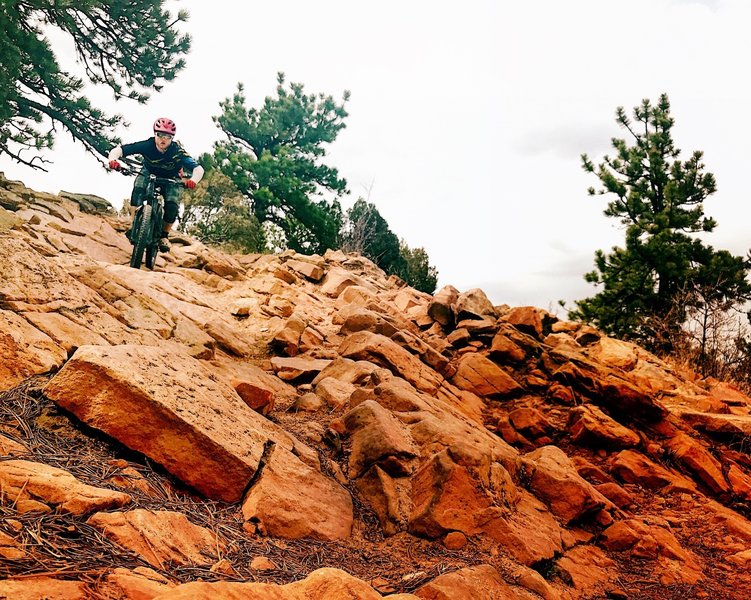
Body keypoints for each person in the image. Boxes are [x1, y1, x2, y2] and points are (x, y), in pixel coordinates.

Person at [108, 118, 204, 252]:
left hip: (171, 178)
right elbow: (120, 150)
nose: (163, 139)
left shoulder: (177, 152)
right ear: (155, 134)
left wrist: (193, 180)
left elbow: (198, 169)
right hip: (148, 173)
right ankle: (134, 224)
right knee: (138, 190)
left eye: (167, 136)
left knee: (172, 205)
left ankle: (164, 236)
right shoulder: (147, 145)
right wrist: (113, 160)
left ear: (172, 138)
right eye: (160, 135)